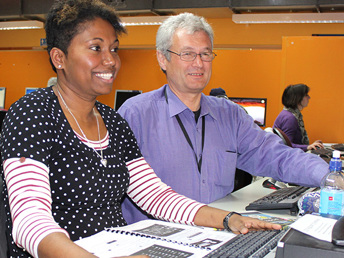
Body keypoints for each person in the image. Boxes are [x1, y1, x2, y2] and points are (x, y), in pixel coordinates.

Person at [0, 1, 281, 257]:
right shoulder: (34, 113)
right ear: (59, 58)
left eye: (114, 49)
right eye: (96, 48)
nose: (111, 60)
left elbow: (155, 195)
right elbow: (29, 221)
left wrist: (227, 219)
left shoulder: (112, 122)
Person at [118, 12, 329, 224]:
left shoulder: (230, 115)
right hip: (155, 241)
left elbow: (276, 156)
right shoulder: (135, 115)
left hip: (219, 233)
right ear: (163, 58)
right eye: (188, 54)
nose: (199, 63)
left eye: (205, 54)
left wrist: (330, 177)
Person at [273, 83, 324, 151]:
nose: (309, 97)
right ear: (298, 98)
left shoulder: (287, 113)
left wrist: (311, 145)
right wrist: (307, 147)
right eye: (306, 95)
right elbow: (288, 146)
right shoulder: (290, 118)